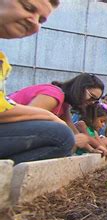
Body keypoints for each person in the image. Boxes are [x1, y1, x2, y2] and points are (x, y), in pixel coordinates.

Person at [0, 0, 81, 164]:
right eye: (28, 8)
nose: (35, 24)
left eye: (41, 20)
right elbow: (31, 116)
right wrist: (50, 117)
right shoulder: (54, 94)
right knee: (60, 136)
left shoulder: (3, 60)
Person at [8, 73, 107, 157]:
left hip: (12, 132)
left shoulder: (64, 104)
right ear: (80, 88)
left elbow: (74, 132)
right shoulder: (54, 94)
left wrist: (91, 149)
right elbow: (26, 118)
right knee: (63, 135)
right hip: (7, 128)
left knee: (67, 137)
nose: (91, 102)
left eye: (95, 100)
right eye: (91, 97)